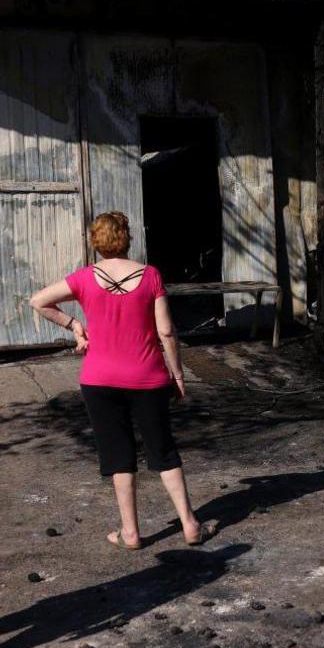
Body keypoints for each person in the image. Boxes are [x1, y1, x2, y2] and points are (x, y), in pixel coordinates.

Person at [28, 211, 214, 550]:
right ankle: (189, 525)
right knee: (164, 451)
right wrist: (178, 373)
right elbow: (167, 331)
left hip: (99, 381)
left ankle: (130, 534)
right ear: (127, 238)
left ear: (96, 242)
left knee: (119, 456)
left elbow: (38, 301)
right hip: (147, 379)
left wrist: (74, 326)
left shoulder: (83, 278)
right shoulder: (150, 276)